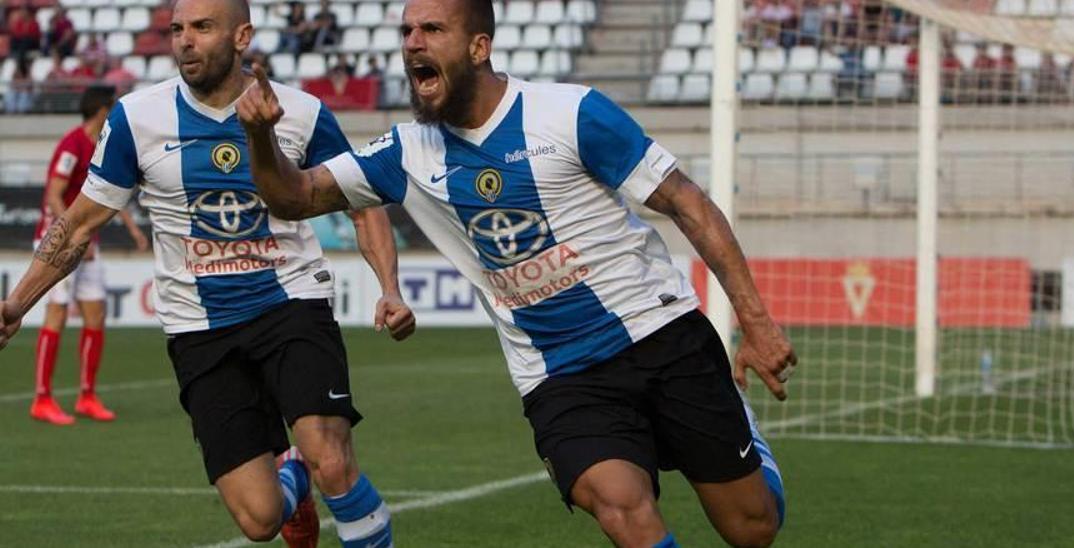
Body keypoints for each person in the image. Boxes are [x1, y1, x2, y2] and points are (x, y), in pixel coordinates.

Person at [236, 0, 794, 545]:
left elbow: (687, 202)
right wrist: (261, 137)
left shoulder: (570, 113)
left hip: (658, 332)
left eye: (431, 29)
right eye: (406, 32)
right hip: (558, 373)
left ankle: (741, 427)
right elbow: (296, 197)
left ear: (479, 47)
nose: (412, 44)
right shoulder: (405, 152)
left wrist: (756, 322)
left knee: (752, 527)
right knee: (621, 507)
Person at [0, 1, 413, 547]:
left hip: (290, 302)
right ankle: (293, 480)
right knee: (261, 520)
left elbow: (363, 205)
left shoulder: (302, 112)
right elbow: (76, 226)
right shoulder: (136, 118)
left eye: (201, 27)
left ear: (242, 36)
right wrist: (16, 303)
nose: (184, 41)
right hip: (198, 326)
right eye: (176, 29)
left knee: (331, 459)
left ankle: (314, 472)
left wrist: (389, 287)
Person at [29, 86, 149, 426]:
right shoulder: (72, 144)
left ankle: (86, 395)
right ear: (101, 109)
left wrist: (132, 228)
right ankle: (42, 398)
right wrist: (69, 234)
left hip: (86, 242)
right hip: (59, 241)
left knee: (95, 315)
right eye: (111, 105)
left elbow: (111, 192)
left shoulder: (103, 145)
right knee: (57, 315)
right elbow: (53, 195)